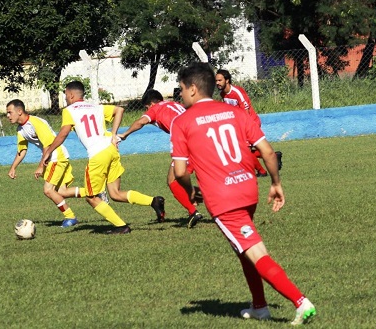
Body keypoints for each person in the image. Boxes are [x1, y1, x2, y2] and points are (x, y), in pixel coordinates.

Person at [170, 62, 316, 325]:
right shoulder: (234, 112)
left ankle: (300, 302)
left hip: (223, 199)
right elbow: (268, 152)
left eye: (181, 89)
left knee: (256, 252)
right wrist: (275, 182)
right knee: (243, 250)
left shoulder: (182, 121)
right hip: (248, 191)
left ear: (192, 89)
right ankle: (260, 306)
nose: (180, 95)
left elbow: (180, 171)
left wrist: (191, 191)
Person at [39, 80, 165, 234]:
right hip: (111, 150)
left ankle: (121, 226)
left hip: (97, 155)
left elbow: (64, 133)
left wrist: (49, 151)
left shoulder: (69, 110)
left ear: (71, 95)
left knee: (91, 197)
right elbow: (119, 110)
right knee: (115, 194)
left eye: (65, 95)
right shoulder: (95, 107)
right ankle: (154, 201)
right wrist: (113, 134)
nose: (65, 98)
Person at [118, 89, 204, 228]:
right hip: (200, 137)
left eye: (146, 108)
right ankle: (198, 201)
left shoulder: (155, 109)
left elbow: (140, 122)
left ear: (151, 103)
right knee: (181, 179)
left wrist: (125, 134)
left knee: (173, 180)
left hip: (187, 141)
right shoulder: (175, 104)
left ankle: (194, 210)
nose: (147, 111)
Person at [6, 99, 79, 228]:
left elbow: (48, 145)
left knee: (48, 190)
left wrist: (40, 166)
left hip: (55, 156)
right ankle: (94, 192)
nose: (8, 116)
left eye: (9, 112)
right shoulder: (20, 129)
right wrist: (13, 168)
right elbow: (22, 150)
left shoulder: (36, 123)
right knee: (61, 191)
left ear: (19, 111)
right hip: (52, 157)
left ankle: (70, 217)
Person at [215, 69, 283, 176]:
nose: (217, 83)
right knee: (243, 151)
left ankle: (261, 171)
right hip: (240, 125)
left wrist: (243, 127)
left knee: (244, 151)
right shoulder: (223, 94)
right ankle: (273, 157)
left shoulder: (237, 92)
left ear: (227, 80)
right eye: (216, 81)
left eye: (219, 80)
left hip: (250, 123)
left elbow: (245, 110)